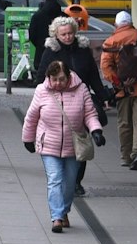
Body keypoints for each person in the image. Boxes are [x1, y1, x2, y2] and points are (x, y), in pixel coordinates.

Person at [22, 58, 103, 231]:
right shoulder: (41, 91)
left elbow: (89, 113)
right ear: (48, 78)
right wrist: (28, 139)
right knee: (55, 179)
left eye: (61, 79)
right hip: (48, 144)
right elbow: (31, 117)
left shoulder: (81, 90)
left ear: (69, 77)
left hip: (73, 146)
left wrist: (96, 130)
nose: (58, 83)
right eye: (54, 79)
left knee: (70, 182)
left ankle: (64, 210)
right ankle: (56, 217)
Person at [39, 12, 111, 196]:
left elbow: (94, 76)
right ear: (56, 35)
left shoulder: (83, 49)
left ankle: (76, 181)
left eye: (70, 33)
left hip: (80, 100)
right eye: (63, 34)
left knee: (80, 143)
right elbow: (41, 78)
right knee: (58, 143)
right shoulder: (51, 51)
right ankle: (59, 178)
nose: (68, 37)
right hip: (57, 103)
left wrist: (103, 96)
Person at [101, 9, 137, 170]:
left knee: (124, 122)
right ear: (130, 23)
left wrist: (119, 82)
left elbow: (106, 67)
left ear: (116, 24)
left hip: (123, 89)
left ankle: (126, 157)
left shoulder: (110, 42)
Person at [30, 0, 67, 75]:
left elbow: (32, 35)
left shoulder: (37, 16)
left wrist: (39, 44)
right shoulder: (63, 16)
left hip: (41, 51)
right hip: (61, 51)